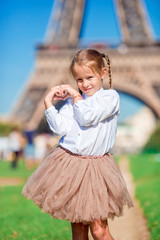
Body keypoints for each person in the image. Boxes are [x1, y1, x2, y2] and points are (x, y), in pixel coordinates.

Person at [22, 49, 134, 240]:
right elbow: (61, 128)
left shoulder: (109, 98)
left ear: (103, 73)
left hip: (97, 168)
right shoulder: (71, 103)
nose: (84, 84)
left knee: (99, 231)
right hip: (70, 165)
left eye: (89, 77)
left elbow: (87, 117)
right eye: (79, 80)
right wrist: (49, 104)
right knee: (79, 231)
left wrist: (75, 96)